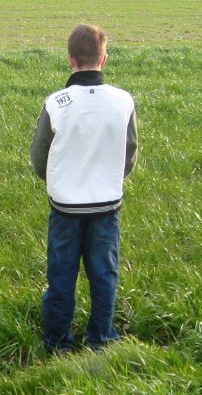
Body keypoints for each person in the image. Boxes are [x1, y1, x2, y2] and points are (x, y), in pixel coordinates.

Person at [30, 24, 138, 353]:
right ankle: (101, 338)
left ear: (70, 60)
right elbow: (130, 151)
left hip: (64, 207)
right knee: (104, 274)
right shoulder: (123, 101)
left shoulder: (56, 103)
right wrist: (110, 180)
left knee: (61, 275)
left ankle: (58, 342)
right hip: (107, 206)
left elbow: (39, 156)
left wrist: (59, 183)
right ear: (104, 59)